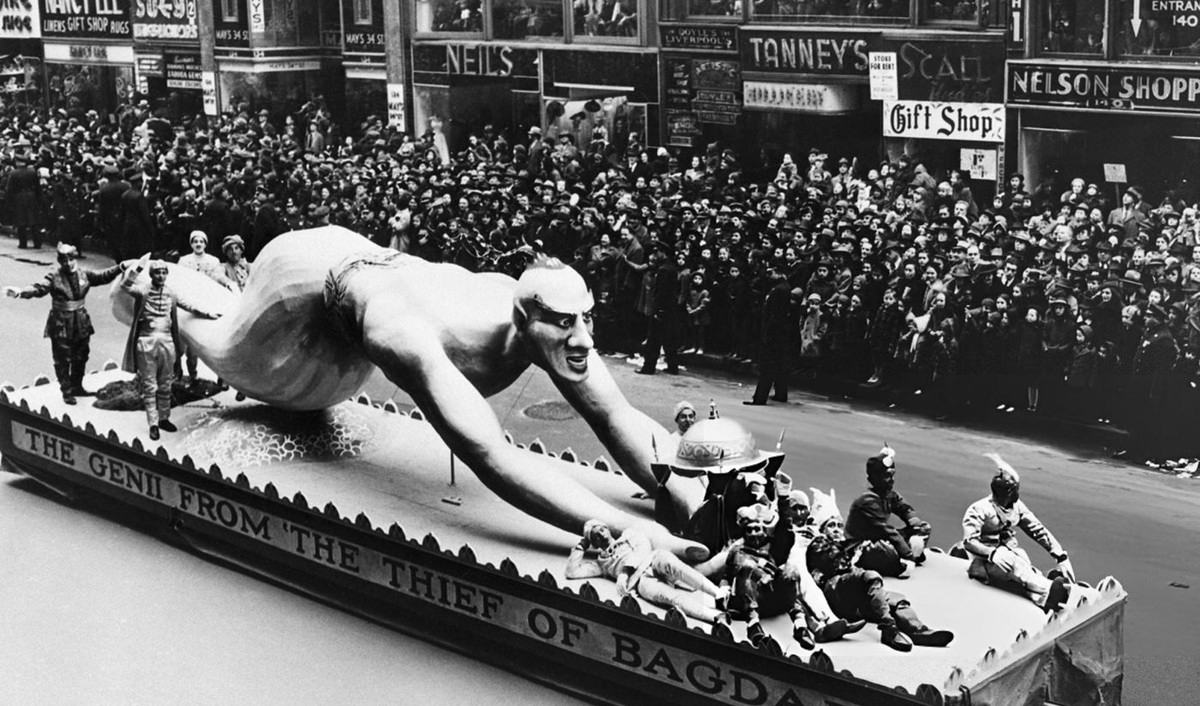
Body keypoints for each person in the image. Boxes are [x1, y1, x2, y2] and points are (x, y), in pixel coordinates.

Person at [113, 226, 705, 558]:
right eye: (564, 324)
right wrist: (633, 530)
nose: (581, 338)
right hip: (299, 293)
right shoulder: (407, 334)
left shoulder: (545, 310)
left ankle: (158, 286)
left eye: (587, 320)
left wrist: (686, 493)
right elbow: (491, 456)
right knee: (230, 350)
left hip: (362, 257)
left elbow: (615, 413)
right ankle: (150, 286)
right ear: (526, 321)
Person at [4, 243, 126, 404]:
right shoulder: (54, 277)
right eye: (64, 260)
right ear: (60, 262)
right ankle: (66, 391)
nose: (68, 263)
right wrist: (21, 292)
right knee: (62, 357)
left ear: (75, 259)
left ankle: (77, 386)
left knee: (81, 354)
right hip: (61, 322)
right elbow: (39, 288)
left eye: (70, 259)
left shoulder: (84, 274)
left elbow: (102, 276)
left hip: (80, 320)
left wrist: (121, 267)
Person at [120, 259, 222, 441]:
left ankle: (164, 418)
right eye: (157, 272)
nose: (160, 275)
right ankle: (153, 423)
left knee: (166, 383)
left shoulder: (171, 294)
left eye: (163, 272)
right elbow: (125, 285)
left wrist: (207, 314)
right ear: (151, 274)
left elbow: (188, 305)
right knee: (150, 385)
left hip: (167, 341)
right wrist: (136, 269)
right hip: (147, 341)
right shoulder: (143, 291)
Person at [960, 453, 1075, 611]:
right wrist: (991, 553)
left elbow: (1037, 529)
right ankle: (1048, 591)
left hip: (1011, 553)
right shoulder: (979, 509)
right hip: (986, 562)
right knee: (1016, 567)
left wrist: (1059, 554)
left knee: (1021, 562)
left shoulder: (1017, 507)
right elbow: (969, 541)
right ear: (1007, 492)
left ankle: (1049, 590)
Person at [806, 534, 954, 652]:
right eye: (831, 526)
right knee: (871, 576)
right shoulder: (815, 549)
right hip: (834, 588)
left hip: (853, 595)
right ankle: (888, 628)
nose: (836, 529)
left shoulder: (844, 546)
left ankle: (919, 631)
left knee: (896, 600)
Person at [565, 520, 726, 623]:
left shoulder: (628, 535)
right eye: (595, 536)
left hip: (652, 560)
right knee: (671, 598)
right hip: (641, 582)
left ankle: (718, 594)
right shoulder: (601, 564)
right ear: (593, 542)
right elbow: (572, 572)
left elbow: (643, 546)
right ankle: (714, 617)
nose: (600, 535)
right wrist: (581, 546)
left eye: (601, 530)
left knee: (681, 569)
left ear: (607, 529)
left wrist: (624, 572)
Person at [844, 445, 931, 577]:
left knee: (924, 528)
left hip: (882, 539)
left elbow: (904, 508)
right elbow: (887, 531)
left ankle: (904, 556)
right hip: (861, 546)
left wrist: (915, 524)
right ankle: (903, 560)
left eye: (892, 475)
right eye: (886, 476)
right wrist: (908, 554)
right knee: (884, 551)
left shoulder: (889, 495)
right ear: (874, 479)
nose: (891, 480)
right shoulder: (867, 501)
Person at [177, 230, 235, 382]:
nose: (198, 244)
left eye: (201, 242)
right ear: (191, 244)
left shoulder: (213, 260)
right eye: (195, 241)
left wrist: (228, 283)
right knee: (190, 343)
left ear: (205, 244)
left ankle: (221, 378)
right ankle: (192, 375)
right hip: (191, 301)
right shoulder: (184, 261)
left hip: (209, 300)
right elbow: (180, 279)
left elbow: (217, 277)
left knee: (215, 339)